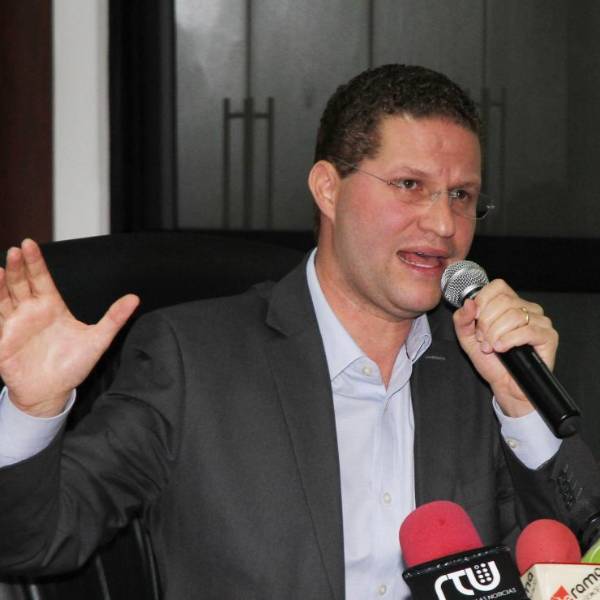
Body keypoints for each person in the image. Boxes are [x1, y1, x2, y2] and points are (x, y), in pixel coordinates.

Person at [0, 64, 599, 600]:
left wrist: (521, 404)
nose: (444, 223)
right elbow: (32, 544)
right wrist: (33, 410)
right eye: (410, 186)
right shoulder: (191, 360)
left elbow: (575, 560)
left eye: (461, 195)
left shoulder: (480, 369)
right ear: (328, 189)